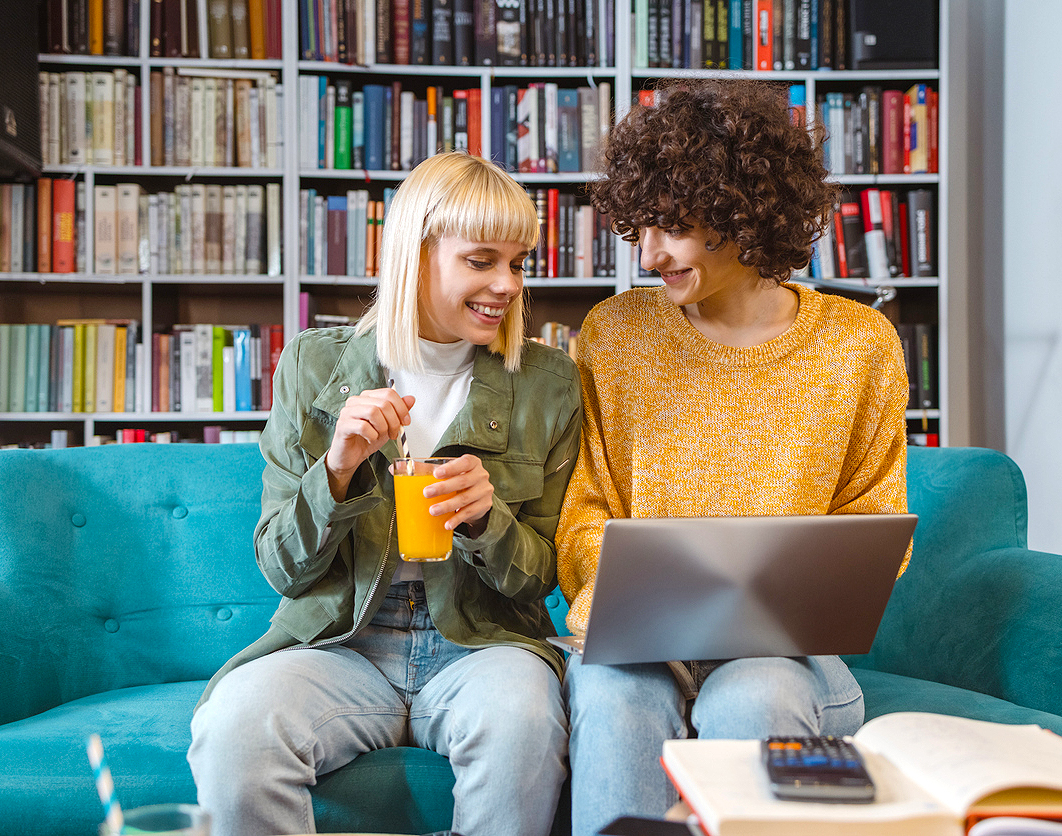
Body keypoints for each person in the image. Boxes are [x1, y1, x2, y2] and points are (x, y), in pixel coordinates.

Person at [555, 78, 911, 836]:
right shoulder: (615, 335)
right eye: (637, 229)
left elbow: (874, 522)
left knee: (751, 699)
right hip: (635, 643)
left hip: (781, 656)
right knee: (616, 700)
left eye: (671, 228)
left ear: (739, 211)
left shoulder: (857, 346)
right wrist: (612, 593)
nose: (647, 254)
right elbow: (584, 507)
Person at [189, 152, 582, 836]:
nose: (507, 285)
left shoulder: (548, 382)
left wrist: (487, 519)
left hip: (481, 643)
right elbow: (283, 569)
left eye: (518, 263)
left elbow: (543, 576)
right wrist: (335, 471)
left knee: (523, 721)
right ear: (417, 255)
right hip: (342, 642)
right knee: (233, 729)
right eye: (481, 260)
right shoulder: (313, 363)